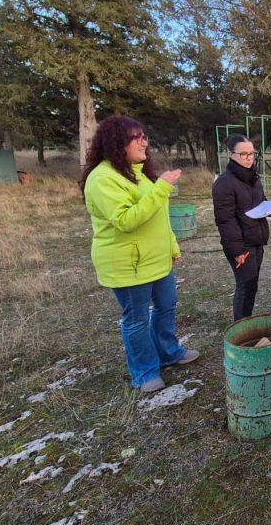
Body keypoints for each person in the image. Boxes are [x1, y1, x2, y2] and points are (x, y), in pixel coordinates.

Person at [80, 115, 199, 393]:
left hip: (157, 260)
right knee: (136, 319)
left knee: (166, 305)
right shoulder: (102, 179)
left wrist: (171, 246)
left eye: (145, 136)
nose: (145, 142)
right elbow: (126, 220)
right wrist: (161, 188)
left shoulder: (138, 173)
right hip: (129, 264)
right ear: (117, 142)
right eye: (137, 137)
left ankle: (169, 352)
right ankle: (145, 372)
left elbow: (158, 215)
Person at [213, 133, 271, 322]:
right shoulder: (224, 183)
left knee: (252, 285)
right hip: (241, 245)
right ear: (231, 154)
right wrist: (237, 250)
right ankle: (241, 327)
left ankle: (247, 320)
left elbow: (260, 204)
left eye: (251, 154)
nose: (248, 158)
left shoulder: (253, 177)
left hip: (256, 240)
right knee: (245, 286)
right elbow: (225, 220)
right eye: (243, 154)